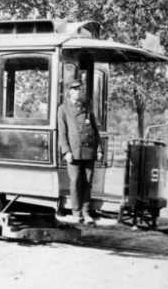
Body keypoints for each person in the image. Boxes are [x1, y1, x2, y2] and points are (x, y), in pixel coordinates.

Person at [57, 79, 100, 225]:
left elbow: (95, 130)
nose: (77, 92)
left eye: (79, 89)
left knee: (87, 183)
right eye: (74, 89)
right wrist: (66, 151)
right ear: (69, 92)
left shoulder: (87, 107)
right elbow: (62, 133)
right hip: (74, 151)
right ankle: (76, 213)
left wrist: (98, 149)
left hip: (89, 150)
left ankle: (86, 212)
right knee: (75, 182)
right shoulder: (63, 109)